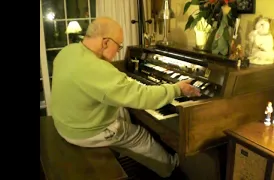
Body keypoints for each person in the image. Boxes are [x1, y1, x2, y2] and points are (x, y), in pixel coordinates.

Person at [50, 17, 200, 178]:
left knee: (122, 109)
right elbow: (142, 97)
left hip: (65, 123)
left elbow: (107, 84)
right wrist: (177, 89)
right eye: (118, 46)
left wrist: (127, 83)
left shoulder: (68, 51)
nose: (118, 51)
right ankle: (171, 166)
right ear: (105, 42)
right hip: (84, 131)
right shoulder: (97, 68)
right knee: (140, 135)